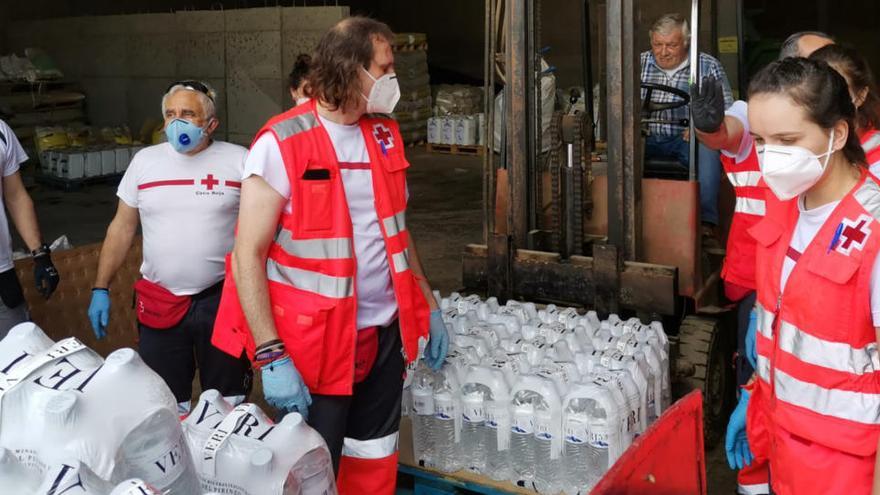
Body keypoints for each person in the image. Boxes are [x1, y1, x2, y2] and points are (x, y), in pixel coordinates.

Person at [211, 17, 449, 495]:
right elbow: (246, 256)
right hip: (313, 351)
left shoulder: (384, 133)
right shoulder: (281, 143)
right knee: (310, 470)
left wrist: (429, 304)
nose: (392, 80)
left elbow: (398, 232)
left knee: (374, 458)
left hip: (384, 341)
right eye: (385, 69)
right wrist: (269, 353)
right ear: (353, 71)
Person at [725, 57, 880, 495]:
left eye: (787, 140)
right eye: (760, 139)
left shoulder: (873, 231)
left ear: (838, 133)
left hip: (846, 470)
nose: (770, 156)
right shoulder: (785, 207)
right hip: (781, 446)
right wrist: (754, 393)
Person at [696, 30, 833, 495]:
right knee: (755, 394)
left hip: (813, 285)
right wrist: (707, 124)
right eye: (819, 64)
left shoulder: (837, 141)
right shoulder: (759, 114)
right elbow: (725, 134)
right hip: (759, 281)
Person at [86, 80, 252, 415]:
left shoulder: (240, 161)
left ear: (211, 123)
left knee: (227, 403)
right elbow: (122, 228)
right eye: (171, 114)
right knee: (163, 404)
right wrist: (100, 286)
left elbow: (260, 232)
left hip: (222, 301)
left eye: (188, 114)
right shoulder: (145, 162)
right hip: (160, 302)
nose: (177, 122)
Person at [640, 12, 733, 237]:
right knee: (619, 150)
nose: (663, 52)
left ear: (686, 41)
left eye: (671, 45)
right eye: (658, 44)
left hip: (684, 140)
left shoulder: (707, 66)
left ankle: (705, 221)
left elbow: (727, 108)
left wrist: (699, 128)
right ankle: (628, 210)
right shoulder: (638, 63)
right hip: (645, 137)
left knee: (708, 145)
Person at [0, 119, 60, 339]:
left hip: (2, 274)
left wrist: (40, 254)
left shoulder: (1, 131)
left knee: (17, 359)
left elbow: (15, 196)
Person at [810, 45, 880, 174]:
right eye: (817, 89)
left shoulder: (877, 158)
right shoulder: (795, 142)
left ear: (861, 96)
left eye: (840, 89)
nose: (827, 98)